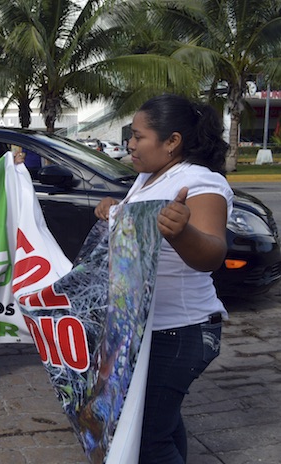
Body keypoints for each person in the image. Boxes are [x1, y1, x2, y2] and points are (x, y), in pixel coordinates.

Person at [94, 94, 232, 463]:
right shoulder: (148, 177)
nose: (130, 144)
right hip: (145, 329)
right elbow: (139, 233)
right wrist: (114, 212)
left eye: (139, 136)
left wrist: (182, 233)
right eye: (130, 136)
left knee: (148, 440)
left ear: (172, 141)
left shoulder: (200, 182)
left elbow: (212, 255)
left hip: (179, 331)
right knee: (163, 426)